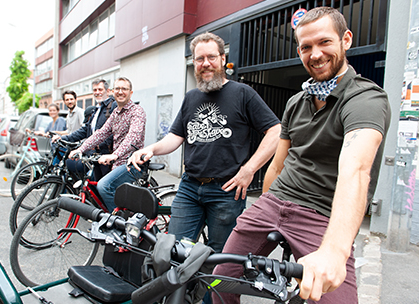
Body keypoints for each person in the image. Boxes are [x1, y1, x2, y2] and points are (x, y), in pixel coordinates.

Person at [212, 7, 391, 304]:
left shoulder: (365, 98)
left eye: (325, 42)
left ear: (346, 40)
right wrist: (265, 210)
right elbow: (278, 165)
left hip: (320, 213)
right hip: (274, 202)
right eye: (306, 47)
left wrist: (335, 251)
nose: (316, 54)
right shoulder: (297, 101)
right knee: (219, 279)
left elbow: (356, 170)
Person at [129, 32, 281, 253]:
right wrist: (151, 148)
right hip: (189, 187)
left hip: (227, 191)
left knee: (218, 257)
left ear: (222, 58)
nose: (205, 64)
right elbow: (175, 137)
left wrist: (249, 170)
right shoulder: (191, 97)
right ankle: (182, 288)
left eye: (211, 57)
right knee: (173, 250)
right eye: (199, 59)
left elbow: (276, 131)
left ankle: (209, 289)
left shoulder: (242, 93)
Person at [69, 77, 146, 211]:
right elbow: (101, 133)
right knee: (101, 188)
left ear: (131, 93)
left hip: (132, 164)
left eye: (124, 89)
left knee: (103, 186)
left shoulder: (137, 111)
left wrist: (114, 155)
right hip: (117, 163)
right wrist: (81, 149)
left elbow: (133, 136)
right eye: (117, 89)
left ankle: (119, 224)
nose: (120, 92)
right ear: (112, 92)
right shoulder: (115, 113)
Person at [53, 79, 117, 181]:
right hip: (95, 155)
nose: (97, 92)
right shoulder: (96, 110)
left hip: (107, 156)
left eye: (100, 89)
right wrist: (63, 138)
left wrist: (99, 145)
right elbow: (84, 130)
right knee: (95, 186)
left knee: (105, 187)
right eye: (95, 90)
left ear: (108, 91)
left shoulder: (113, 107)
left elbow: (114, 131)